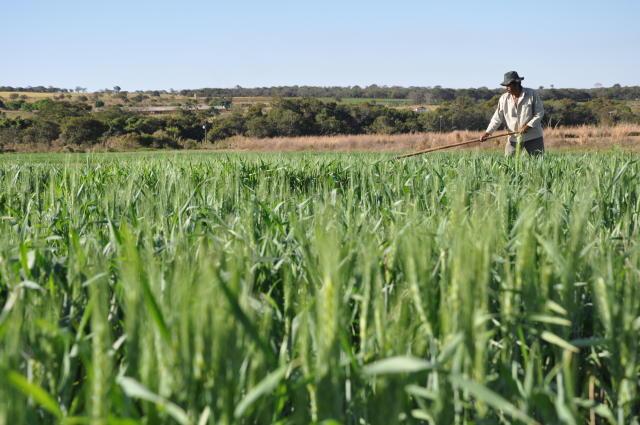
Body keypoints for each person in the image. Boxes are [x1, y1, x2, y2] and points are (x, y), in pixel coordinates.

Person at [481, 71, 545, 156]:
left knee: (538, 161)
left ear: (516, 83)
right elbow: (497, 118)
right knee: (509, 162)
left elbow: (539, 113)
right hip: (514, 137)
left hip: (533, 136)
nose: (506, 88)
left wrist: (527, 126)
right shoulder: (503, 99)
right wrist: (487, 133)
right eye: (505, 86)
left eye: (508, 85)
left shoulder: (532, 94)